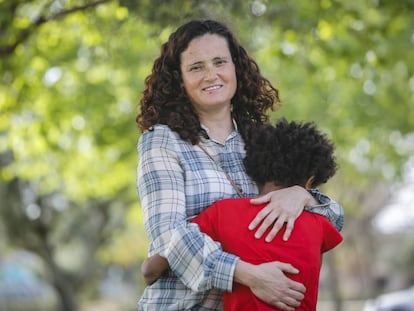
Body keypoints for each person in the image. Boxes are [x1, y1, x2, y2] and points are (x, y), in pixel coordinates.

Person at [136, 19, 344, 311]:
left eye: (220, 62)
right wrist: (249, 275)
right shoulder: (162, 141)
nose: (211, 75)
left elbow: (331, 220)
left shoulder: (262, 140)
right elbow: (169, 235)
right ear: (179, 80)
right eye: (196, 67)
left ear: (236, 68)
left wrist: (302, 195)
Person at [141, 118, 343, 311]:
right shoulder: (320, 224)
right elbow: (335, 222)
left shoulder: (223, 213)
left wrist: (150, 270)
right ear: (310, 181)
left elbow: (158, 261)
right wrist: (306, 196)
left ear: (256, 168)